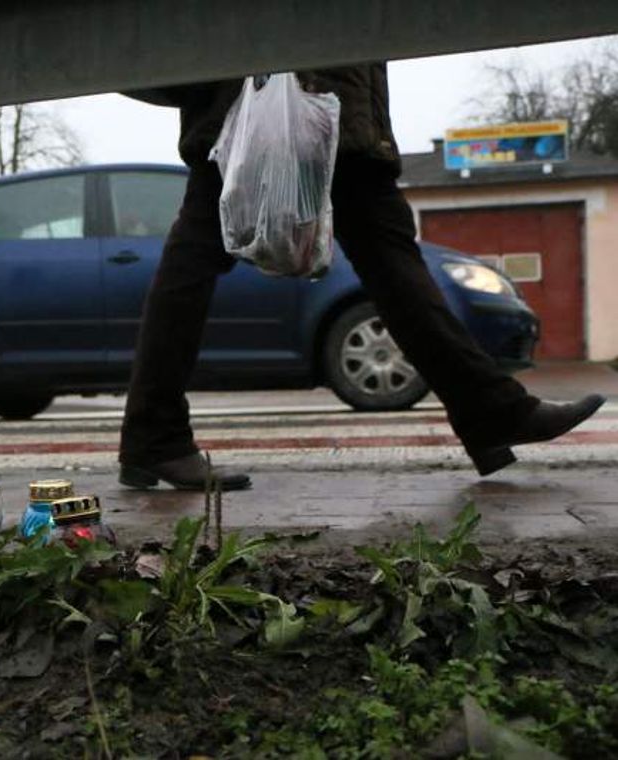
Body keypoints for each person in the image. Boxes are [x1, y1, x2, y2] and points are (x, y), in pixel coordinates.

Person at [118, 65, 604, 491]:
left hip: (289, 111)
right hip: (281, 110)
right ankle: (492, 413)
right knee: (390, 265)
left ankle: (151, 435)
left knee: (384, 265)